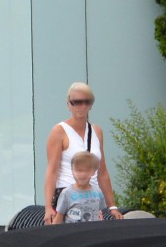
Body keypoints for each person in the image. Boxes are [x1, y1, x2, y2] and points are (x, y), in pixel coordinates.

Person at [43, 81, 120, 224]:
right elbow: (52, 170)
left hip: (92, 195)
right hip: (67, 194)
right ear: (69, 105)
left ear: (91, 105)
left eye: (86, 102)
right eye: (77, 102)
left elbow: (102, 171)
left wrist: (112, 206)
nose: (82, 106)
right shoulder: (59, 131)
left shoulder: (97, 131)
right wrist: (48, 207)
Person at [53, 151, 109, 224]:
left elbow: (100, 212)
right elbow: (59, 218)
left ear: (93, 172)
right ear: (72, 171)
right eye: (78, 170)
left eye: (86, 171)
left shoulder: (97, 191)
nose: (82, 174)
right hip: (74, 233)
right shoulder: (66, 193)